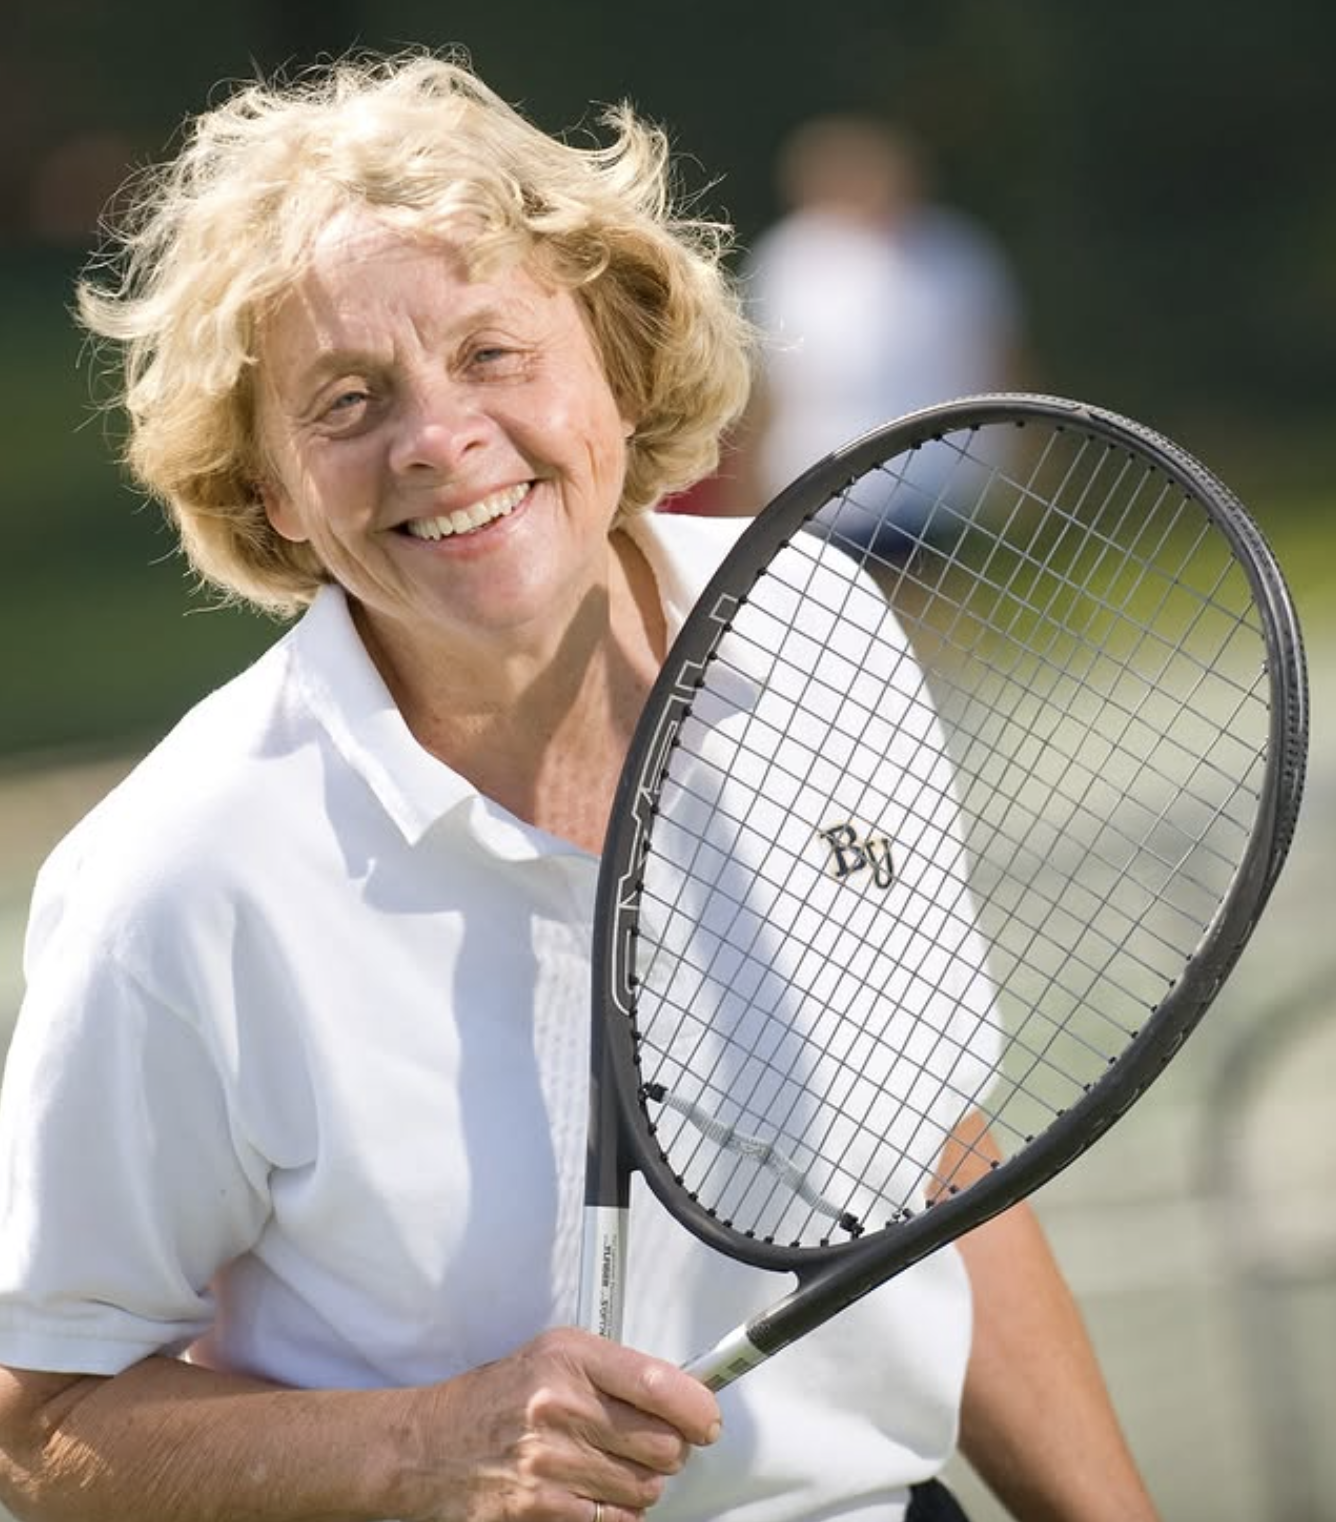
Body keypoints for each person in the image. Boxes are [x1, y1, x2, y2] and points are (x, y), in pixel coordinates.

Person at [0, 51, 1157, 1522]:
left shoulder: (816, 623)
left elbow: (939, 1167)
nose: (438, 437)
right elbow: (41, 1421)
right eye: (345, 401)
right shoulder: (182, 871)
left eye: (491, 353)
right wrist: (424, 1448)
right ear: (273, 490)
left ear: (611, 358)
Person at [710, 115, 1024, 551]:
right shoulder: (787, 258)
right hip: (819, 484)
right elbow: (763, 384)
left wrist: (1022, 465)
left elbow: (999, 360)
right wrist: (743, 488)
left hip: (940, 484)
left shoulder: (955, 251)